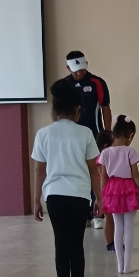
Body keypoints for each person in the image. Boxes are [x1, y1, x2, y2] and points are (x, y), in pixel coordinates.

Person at [32, 81, 102, 277]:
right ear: (78, 110)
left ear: (54, 110)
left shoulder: (43, 134)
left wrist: (36, 199)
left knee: (61, 244)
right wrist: (99, 199)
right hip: (79, 195)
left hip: (54, 196)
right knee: (77, 245)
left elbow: (39, 170)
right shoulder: (86, 133)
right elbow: (94, 170)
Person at [60, 50, 112, 227]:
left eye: (82, 69)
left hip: (95, 134)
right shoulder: (64, 85)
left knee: (96, 173)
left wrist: (107, 132)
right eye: (76, 71)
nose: (79, 73)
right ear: (68, 68)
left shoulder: (97, 82)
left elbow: (105, 107)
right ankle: (82, 214)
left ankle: (97, 213)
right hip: (72, 137)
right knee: (78, 172)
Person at [97, 115, 139, 274]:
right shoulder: (130, 152)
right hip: (129, 189)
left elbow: (104, 177)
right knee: (129, 228)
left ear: (114, 134)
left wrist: (103, 196)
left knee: (118, 227)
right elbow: (136, 175)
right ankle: (127, 266)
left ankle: (120, 267)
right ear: (131, 135)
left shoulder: (105, 153)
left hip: (112, 190)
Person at [96, 130, 116, 251]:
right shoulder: (100, 159)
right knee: (109, 219)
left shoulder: (108, 156)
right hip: (106, 191)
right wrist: (102, 195)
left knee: (114, 219)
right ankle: (110, 242)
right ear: (105, 145)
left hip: (111, 190)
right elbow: (103, 176)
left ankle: (115, 241)